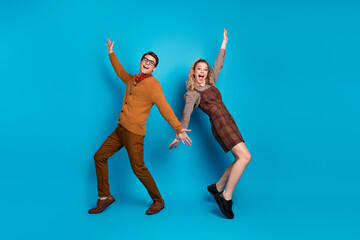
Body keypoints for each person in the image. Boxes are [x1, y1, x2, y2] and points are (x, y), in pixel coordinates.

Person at [89, 38, 192, 215]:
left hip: (134, 134)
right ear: (141, 62)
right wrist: (111, 53)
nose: (147, 63)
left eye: (151, 63)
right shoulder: (132, 79)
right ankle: (105, 196)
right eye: (145, 60)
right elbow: (120, 71)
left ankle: (158, 201)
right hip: (119, 130)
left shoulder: (153, 86)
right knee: (99, 156)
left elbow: (165, 108)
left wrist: (178, 128)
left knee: (138, 168)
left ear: (154, 69)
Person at [168, 29, 251, 219]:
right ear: (194, 72)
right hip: (220, 123)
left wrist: (224, 43)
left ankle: (217, 186)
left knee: (239, 158)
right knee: (245, 157)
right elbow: (186, 114)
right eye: (199, 69)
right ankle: (225, 196)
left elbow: (219, 65)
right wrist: (178, 134)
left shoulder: (211, 84)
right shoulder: (192, 93)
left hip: (229, 120)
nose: (203, 72)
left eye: (205, 70)